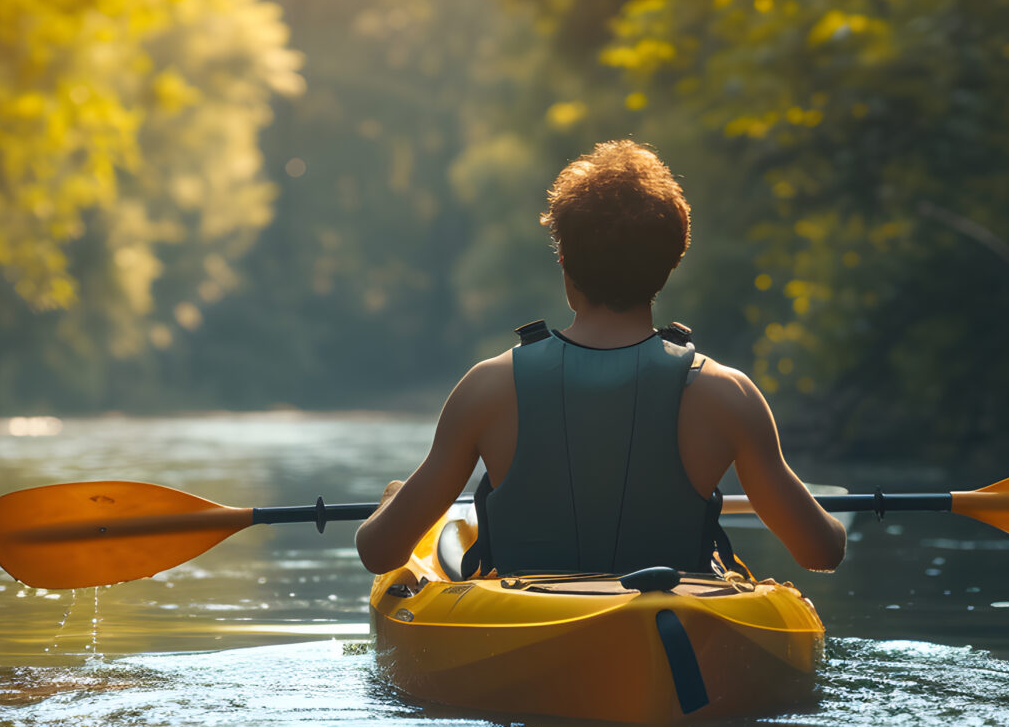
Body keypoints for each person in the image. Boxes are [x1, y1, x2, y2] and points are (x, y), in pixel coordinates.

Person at [354, 139, 847, 578]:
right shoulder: (728, 394)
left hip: (525, 627)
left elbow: (379, 553)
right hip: (673, 623)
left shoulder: (487, 388)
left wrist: (394, 503)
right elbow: (821, 551)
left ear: (565, 263)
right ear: (670, 264)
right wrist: (829, 518)